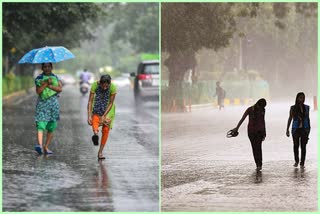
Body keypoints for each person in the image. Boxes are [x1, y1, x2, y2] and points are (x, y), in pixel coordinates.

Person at [34, 63, 63, 155]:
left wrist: (50, 86)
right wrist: (46, 83)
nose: (47, 68)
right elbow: (38, 91)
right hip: (42, 104)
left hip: (53, 105)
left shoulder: (55, 77)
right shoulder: (39, 78)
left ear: (51, 68)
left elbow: (59, 89)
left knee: (51, 126)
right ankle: (39, 145)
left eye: (48, 67)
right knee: (40, 124)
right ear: (42, 68)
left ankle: (46, 147)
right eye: (45, 67)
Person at [231, 98, 267, 171]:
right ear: (258, 104)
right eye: (262, 106)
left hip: (259, 132)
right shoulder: (250, 109)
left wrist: (264, 132)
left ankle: (260, 164)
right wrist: (237, 128)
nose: (263, 108)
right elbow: (242, 119)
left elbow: (263, 121)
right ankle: (257, 164)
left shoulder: (263, 110)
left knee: (259, 148)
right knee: (254, 148)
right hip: (251, 132)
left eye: (264, 107)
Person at [87, 74, 116, 159]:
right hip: (97, 106)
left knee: (106, 129)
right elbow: (90, 101)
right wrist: (89, 115)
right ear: (100, 83)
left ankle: (100, 152)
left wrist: (104, 115)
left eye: (107, 86)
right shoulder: (95, 85)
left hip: (108, 109)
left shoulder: (113, 87)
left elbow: (111, 103)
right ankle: (95, 134)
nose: (104, 88)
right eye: (103, 85)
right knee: (94, 120)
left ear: (109, 84)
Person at [286, 92, 310, 168]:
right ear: (297, 98)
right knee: (296, 145)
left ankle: (302, 163)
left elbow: (307, 118)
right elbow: (290, 118)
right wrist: (287, 129)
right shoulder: (293, 108)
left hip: (304, 129)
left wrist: (309, 129)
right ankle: (296, 161)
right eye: (300, 98)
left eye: (303, 98)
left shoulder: (307, 107)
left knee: (303, 146)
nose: (302, 99)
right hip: (295, 129)